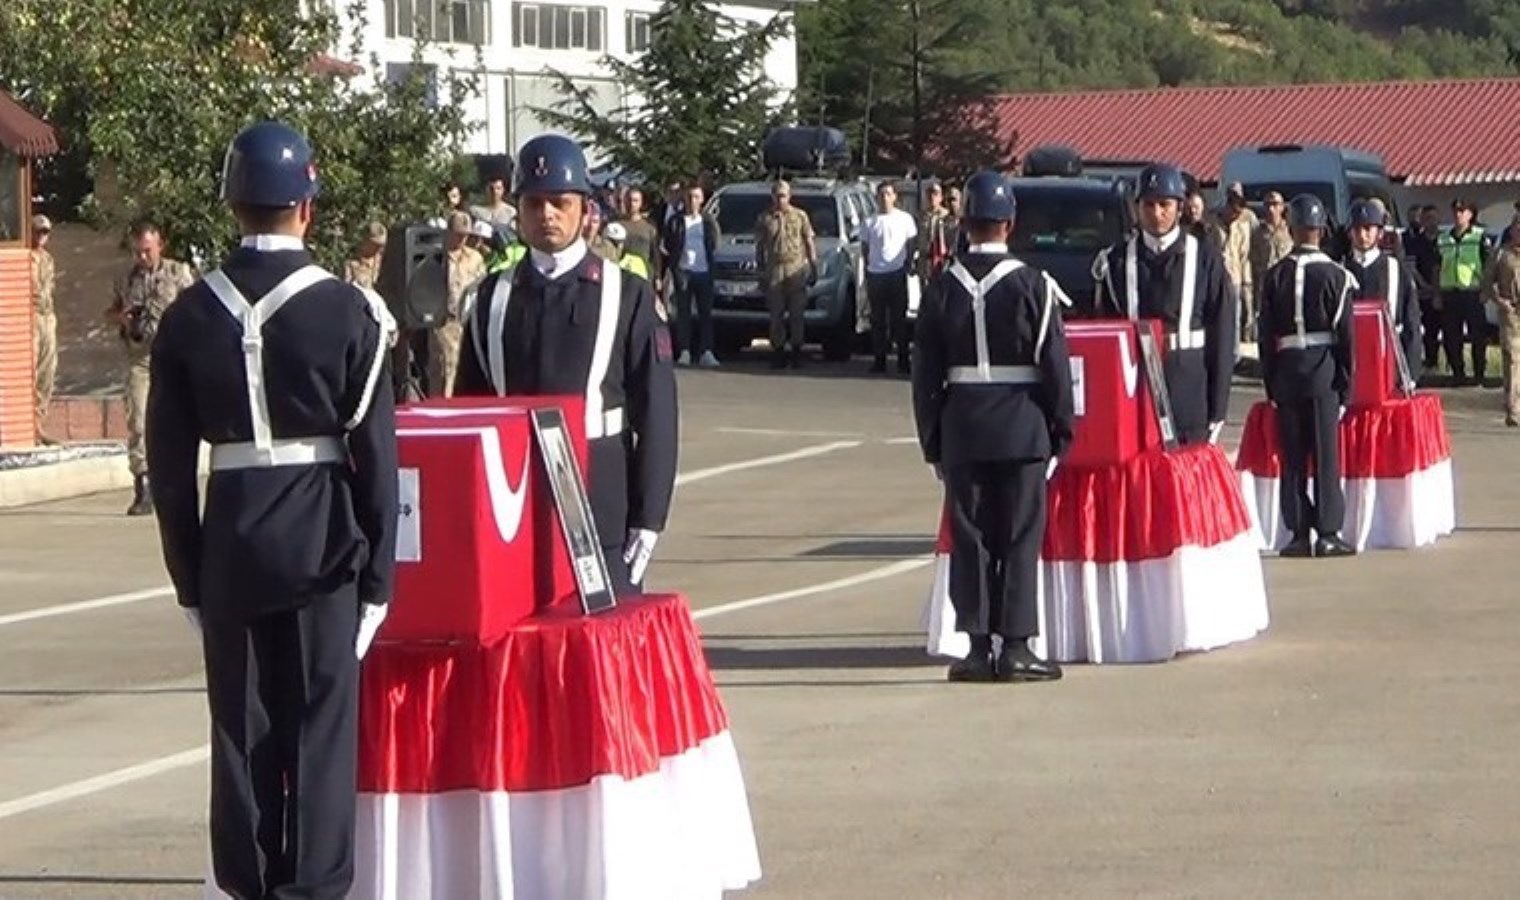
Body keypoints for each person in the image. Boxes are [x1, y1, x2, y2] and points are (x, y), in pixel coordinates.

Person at [146, 120, 398, 900]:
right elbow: (377, 463)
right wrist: (379, 579)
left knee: (240, 728)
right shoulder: (350, 313)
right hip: (321, 538)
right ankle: (316, 887)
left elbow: (166, 467)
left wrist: (189, 576)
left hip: (231, 540)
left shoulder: (189, 316)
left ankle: (249, 884)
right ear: (308, 208)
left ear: (232, 207)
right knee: (320, 727)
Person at [454, 134, 678, 594]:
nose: (547, 215)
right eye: (534, 204)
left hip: (599, 497)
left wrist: (649, 516)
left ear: (585, 209)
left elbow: (656, 413)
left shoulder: (626, 295)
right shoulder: (492, 295)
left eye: (559, 203)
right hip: (511, 500)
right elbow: (468, 409)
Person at [911, 170, 1074, 684]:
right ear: (1010, 222)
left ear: (965, 222)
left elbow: (924, 374)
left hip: (962, 425)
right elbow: (1054, 365)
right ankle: (1019, 644)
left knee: (971, 535)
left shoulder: (942, 286)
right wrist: (1060, 429)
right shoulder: (1034, 285)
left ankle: (978, 645)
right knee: (1021, 536)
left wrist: (932, 438)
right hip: (1022, 425)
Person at [1092, 164, 1236, 445]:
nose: (1156, 213)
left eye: (1164, 204)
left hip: (1188, 392)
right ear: (1136, 208)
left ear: (1180, 207)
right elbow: (1105, 335)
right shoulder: (1116, 261)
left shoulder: (1206, 258)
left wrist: (1217, 407)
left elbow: (1222, 331)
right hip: (1135, 391)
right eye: (1148, 205)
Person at [1257, 194, 1356, 559]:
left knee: (1294, 458)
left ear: (1292, 227)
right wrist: (1346, 384)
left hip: (1286, 372)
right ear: (1322, 230)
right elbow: (1346, 337)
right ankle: (1329, 531)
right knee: (1326, 458)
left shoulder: (1274, 275)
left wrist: (1271, 383)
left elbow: (1266, 336)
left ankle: (1298, 532)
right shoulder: (1337, 276)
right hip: (1323, 373)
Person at [106, 220, 197, 516]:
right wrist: (121, 317)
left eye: (147, 251)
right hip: (140, 357)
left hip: (173, 356)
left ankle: (174, 483)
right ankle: (143, 484)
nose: (142, 258)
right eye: (137, 252)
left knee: (177, 421)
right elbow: (110, 312)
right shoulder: (126, 278)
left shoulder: (178, 274)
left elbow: (199, 310)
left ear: (160, 245)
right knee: (139, 419)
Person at [1343, 199, 1421, 382]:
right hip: (1350, 369)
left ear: (1379, 233)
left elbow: (1412, 323)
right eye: (1357, 229)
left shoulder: (1396, 269)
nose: (1362, 236)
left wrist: (1410, 374)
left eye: (1368, 229)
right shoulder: (1339, 271)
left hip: (1389, 365)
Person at [755, 179, 818, 369]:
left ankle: (797, 350)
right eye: (777, 195)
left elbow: (809, 241)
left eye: (783, 195)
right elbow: (759, 247)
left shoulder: (800, 216)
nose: (780, 199)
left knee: (797, 313)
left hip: (795, 267)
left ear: (789, 196)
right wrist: (760, 271)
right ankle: (778, 351)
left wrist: (813, 266)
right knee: (776, 314)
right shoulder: (765, 218)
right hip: (775, 268)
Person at [660, 183, 720, 367]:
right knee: (683, 313)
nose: (692, 201)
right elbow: (668, 245)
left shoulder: (708, 221)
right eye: (689, 197)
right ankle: (684, 351)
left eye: (696, 197)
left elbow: (715, 242)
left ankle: (706, 352)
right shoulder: (676, 221)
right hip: (683, 271)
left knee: (705, 313)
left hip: (704, 271)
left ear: (702, 200)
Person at [863, 181, 918, 374]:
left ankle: (903, 359)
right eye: (881, 194)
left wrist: (908, 264)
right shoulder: (870, 222)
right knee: (878, 320)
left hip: (896, 274)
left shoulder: (905, 219)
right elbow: (865, 249)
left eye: (888, 194)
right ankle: (879, 360)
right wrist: (869, 272)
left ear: (895, 197)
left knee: (899, 320)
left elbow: (911, 245)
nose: (884, 198)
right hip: (876, 275)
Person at [429, 211, 486, 397]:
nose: (462, 239)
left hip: (468, 321)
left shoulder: (475, 258)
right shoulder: (437, 256)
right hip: (445, 321)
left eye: (466, 235)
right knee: (444, 371)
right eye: (458, 234)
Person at [1438, 199, 1495, 385]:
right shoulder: (1443, 238)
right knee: (1451, 336)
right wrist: (1437, 293)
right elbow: (1436, 267)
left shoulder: (1479, 237)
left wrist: (1486, 290)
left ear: (1471, 214)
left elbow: (1489, 266)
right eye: (1455, 211)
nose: (1458, 215)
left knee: (1478, 335)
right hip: (1450, 293)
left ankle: (1479, 373)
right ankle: (1458, 373)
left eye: (1462, 211)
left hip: (1472, 292)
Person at [1480, 216, 1520, 426]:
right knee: (1513, 360)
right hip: (1511, 313)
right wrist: (1499, 300)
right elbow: (1487, 281)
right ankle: (1513, 408)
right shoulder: (1501, 254)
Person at [31, 214, 58, 442]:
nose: (41, 236)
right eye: (38, 231)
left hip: (47, 316)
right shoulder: (25, 256)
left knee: (47, 371)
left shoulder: (48, 259)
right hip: (30, 316)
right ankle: (29, 425)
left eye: (45, 232)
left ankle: (38, 422)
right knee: (30, 370)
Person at [343, 221, 387, 290]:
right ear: (365, 241)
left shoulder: (385, 261)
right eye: (375, 245)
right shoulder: (352, 263)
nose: (379, 249)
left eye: (382, 246)